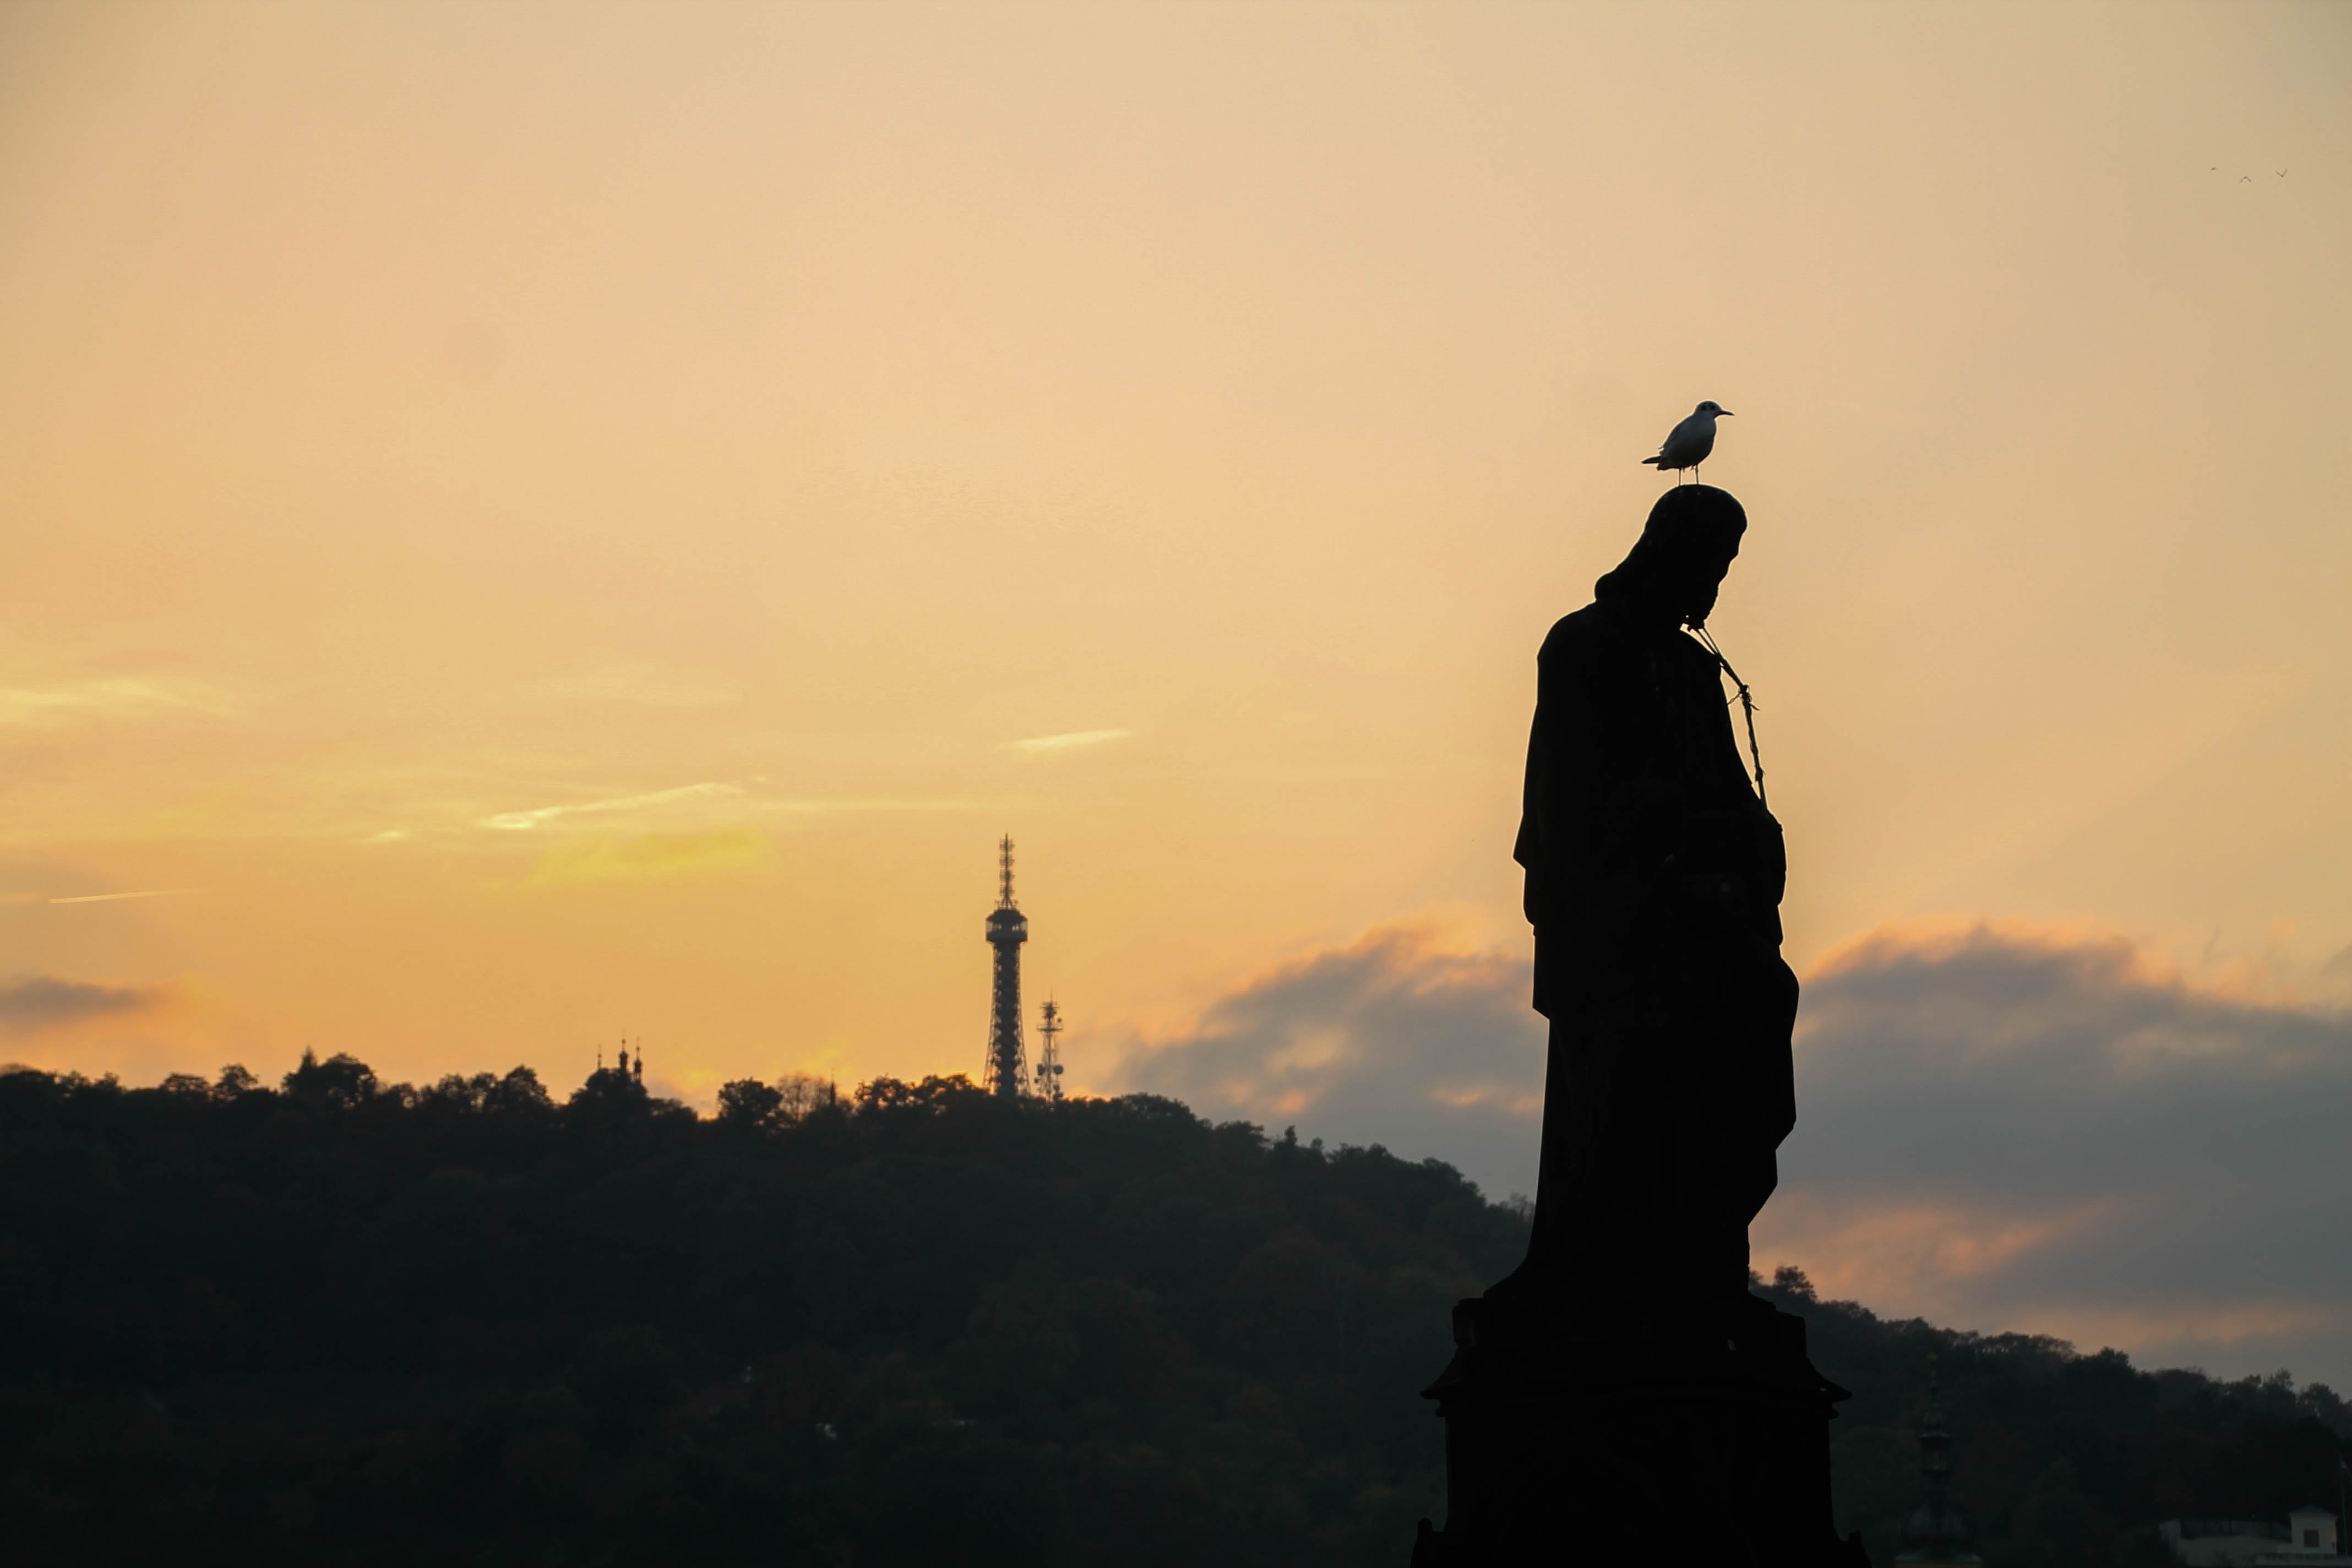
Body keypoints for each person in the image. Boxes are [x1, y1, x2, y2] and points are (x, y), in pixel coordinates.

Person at [1500, 484, 1797, 1335]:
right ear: (1668, 555)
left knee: (1760, 996)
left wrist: (1748, 840)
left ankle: (1703, 1251)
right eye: (1711, 566)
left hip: (1701, 907)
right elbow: (1574, 807)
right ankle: (1620, 1262)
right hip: (1622, 917)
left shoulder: (1697, 674)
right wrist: (1672, 842)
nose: (1715, 587)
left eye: (1727, 570)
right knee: (1656, 1034)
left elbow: (1731, 795)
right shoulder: (1584, 646)